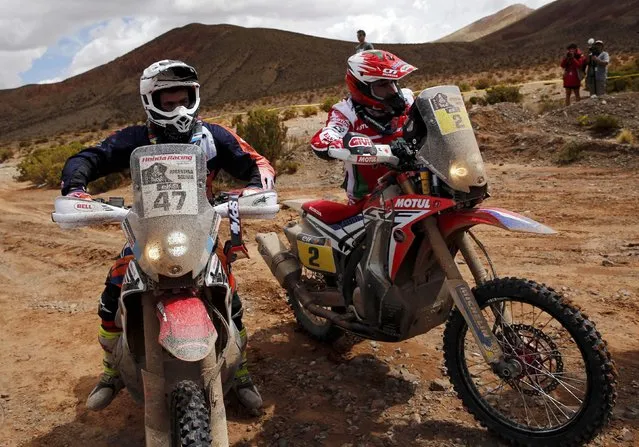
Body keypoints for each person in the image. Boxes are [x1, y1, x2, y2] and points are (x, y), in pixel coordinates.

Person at [60, 59, 275, 413]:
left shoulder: (213, 136)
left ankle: (240, 374)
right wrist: (75, 189)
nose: (177, 108)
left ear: (195, 96)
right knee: (113, 292)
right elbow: (90, 157)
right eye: (167, 101)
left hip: (201, 232)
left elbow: (257, 162)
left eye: (183, 98)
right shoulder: (134, 139)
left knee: (231, 299)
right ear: (150, 101)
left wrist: (255, 188)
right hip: (150, 234)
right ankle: (111, 371)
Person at [310, 50, 417, 203]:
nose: (392, 91)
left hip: (414, 183)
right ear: (362, 87)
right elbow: (327, 135)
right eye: (383, 84)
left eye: (393, 82)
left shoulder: (407, 100)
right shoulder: (346, 112)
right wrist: (345, 144)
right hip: (367, 199)